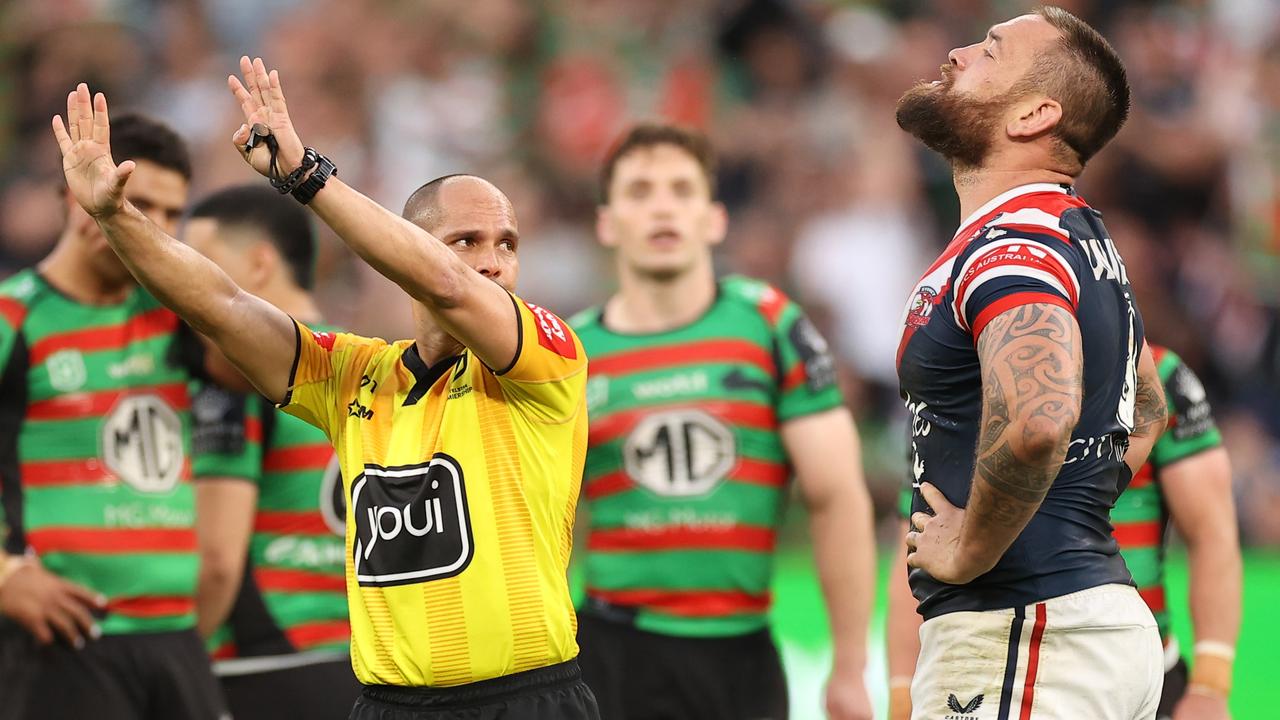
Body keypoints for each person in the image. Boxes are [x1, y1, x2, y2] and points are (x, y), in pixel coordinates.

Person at [51, 55, 597, 720]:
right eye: (466, 239)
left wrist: (306, 175)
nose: (493, 261)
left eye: (507, 244)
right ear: (404, 251)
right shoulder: (355, 375)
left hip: (524, 701)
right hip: (386, 705)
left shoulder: (547, 356)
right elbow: (222, 307)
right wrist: (117, 219)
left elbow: (451, 288)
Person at [894, 6, 1169, 719]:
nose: (955, 53)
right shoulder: (1074, 236)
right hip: (1084, 627)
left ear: (1033, 115)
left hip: (1026, 632)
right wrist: (1064, 510)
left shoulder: (1013, 244)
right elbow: (1146, 408)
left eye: (988, 50)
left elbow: (1040, 420)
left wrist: (972, 549)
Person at [570, 122, 876, 720]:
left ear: (714, 219)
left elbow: (836, 496)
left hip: (741, 656)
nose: (663, 206)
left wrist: (849, 666)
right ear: (607, 223)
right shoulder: (569, 355)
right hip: (612, 653)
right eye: (639, 191)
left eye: (682, 190)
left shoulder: (770, 326)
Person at [0, 113, 228, 719]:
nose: (148, 222)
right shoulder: (12, 317)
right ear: (74, 192)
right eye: (135, 198)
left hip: (178, 638)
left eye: (172, 212)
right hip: (63, 640)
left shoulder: (183, 319)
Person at [885, 343, 1241, 720]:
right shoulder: (952, 387)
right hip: (997, 650)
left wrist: (1210, 685)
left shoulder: (1158, 374)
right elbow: (915, 548)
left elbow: (1212, 533)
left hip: (1128, 654)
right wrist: (901, 691)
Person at [183, 185, 361, 719]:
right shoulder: (367, 365)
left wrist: (171, 670)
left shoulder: (241, 376)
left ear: (259, 265)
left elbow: (217, 562)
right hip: (358, 664)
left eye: (203, 264)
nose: (183, 284)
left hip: (258, 668)